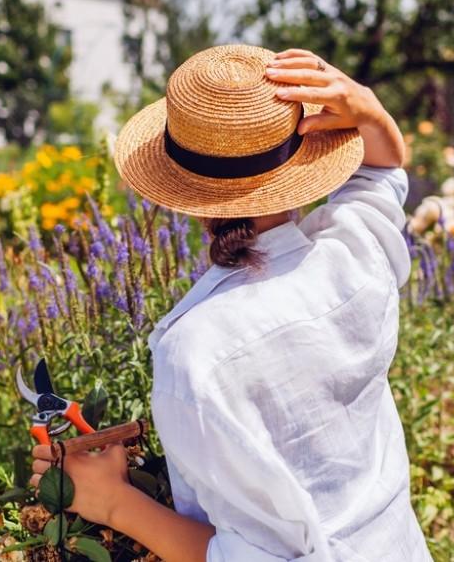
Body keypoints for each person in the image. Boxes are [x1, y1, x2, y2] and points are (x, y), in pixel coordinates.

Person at [29, 44, 432, 561]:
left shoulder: (195, 353)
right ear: (301, 163)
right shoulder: (353, 261)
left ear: (182, 192)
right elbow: (383, 174)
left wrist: (111, 501)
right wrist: (369, 108)